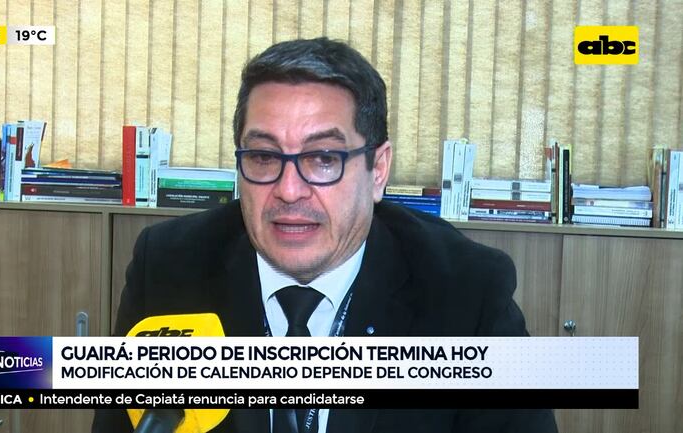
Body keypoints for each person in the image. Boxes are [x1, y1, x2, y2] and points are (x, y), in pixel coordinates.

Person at [93, 37, 557, 433]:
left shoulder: (466, 289)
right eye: (263, 157)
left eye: (323, 159)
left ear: (378, 170)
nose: (288, 190)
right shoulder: (170, 267)